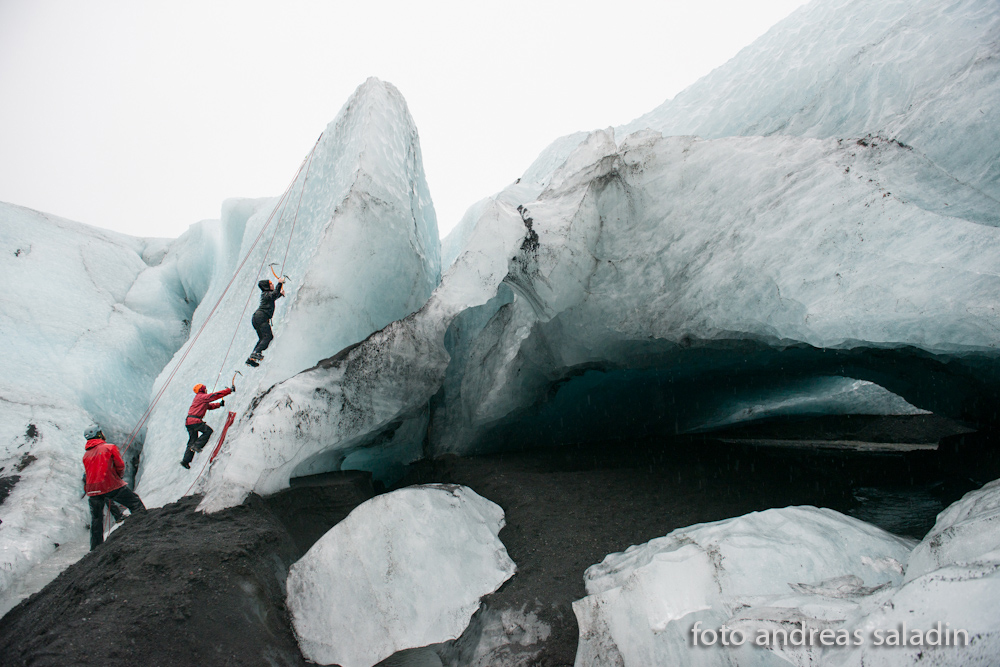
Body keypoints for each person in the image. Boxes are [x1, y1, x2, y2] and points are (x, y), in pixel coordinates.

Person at [83, 425, 146, 550]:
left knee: (97, 520)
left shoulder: (86, 455)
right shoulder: (109, 448)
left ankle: (95, 549)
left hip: (92, 490)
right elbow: (120, 466)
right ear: (99, 434)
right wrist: (118, 478)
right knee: (134, 502)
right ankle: (143, 529)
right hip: (110, 485)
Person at [181, 383, 233, 469]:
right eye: (205, 389)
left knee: (192, 440)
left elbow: (208, 406)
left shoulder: (199, 398)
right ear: (202, 390)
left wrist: (219, 404)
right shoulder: (201, 396)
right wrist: (229, 390)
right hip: (195, 421)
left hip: (189, 422)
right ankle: (197, 446)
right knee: (208, 431)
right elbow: (214, 396)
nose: (206, 390)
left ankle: (185, 461)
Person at [247, 277, 285, 365]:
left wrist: (280, 294)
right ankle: (256, 353)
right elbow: (273, 295)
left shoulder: (266, 295)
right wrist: (279, 283)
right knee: (268, 337)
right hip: (261, 317)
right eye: (271, 284)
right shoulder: (266, 294)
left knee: (262, 338)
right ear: (266, 286)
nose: (272, 285)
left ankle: (252, 358)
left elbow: (273, 297)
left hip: (257, 318)